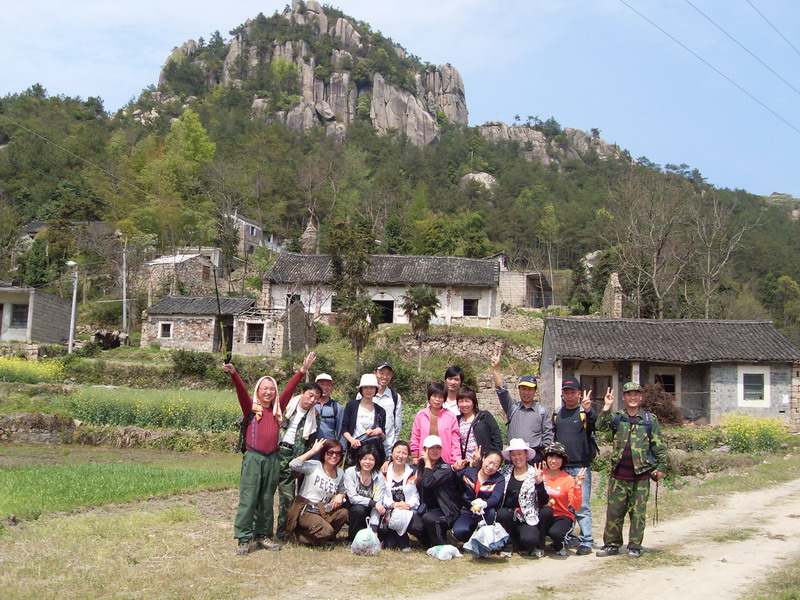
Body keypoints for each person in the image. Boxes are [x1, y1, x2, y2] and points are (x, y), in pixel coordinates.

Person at [224, 360, 294, 555]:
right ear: (258, 391)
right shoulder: (251, 410)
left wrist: (303, 371)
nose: (268, 392)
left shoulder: (276, 411)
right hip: (254, 458)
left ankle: (263, 535)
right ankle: (244, 538)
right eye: (264, 388)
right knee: (249, 498)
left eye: (272, 389)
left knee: (266, 499)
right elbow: (241, 392)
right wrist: (234, 373)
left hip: (273, 459)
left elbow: (289, 389)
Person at [596, 382, 667, 558]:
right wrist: (606, 407)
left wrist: (661, 467)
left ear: (640, 397)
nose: (633, 397)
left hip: (641, 476)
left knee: (638, 514)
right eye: (629, 394)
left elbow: (658, 446)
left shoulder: (650, 420)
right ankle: (612, 544)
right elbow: (599, 427)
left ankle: (635, 545)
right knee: (614, 512)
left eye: (636, 394)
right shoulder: (617, 417)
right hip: (618, 475)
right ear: (624, 397)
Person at [275, 352, 322, 541]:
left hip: (293, 460)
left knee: (287, 499)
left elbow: (310, 444)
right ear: (302, 393)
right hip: (275, 453)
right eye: (310, 395)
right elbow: (288, 388)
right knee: (264, 494)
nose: (312, 400)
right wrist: (303, 370)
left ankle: (282, 533)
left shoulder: (313, 420)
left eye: (316, 398)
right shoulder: (284, 407)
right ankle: (258, 530)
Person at [552, 378, 597, 556]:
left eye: (573, 392)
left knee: (582, 505)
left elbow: (596, 426)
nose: (569, 395)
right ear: (562, 394)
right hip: (563, 468)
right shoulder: (557, 413)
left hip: (581, 467)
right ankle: (568, 537)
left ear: (579, 393)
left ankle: (586, 540)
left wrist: (589, 410)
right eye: (566, 392)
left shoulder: (584, 413)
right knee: (565, 505)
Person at [491, 350, 553, 462]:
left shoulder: (542, 412)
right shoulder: (512, 407)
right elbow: (501, 391)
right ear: (519, 390)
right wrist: (496, 368)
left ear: (535, 391)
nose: (526, 392)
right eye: (523, 389)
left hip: (534, 457)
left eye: (530, 389)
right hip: (513, 456)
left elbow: (548, 437)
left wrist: (544, 458)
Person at [285, 437, 348, 545]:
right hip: (307, 511)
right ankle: (300, 535)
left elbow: (342, 489)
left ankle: (323, 538)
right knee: (327, 531)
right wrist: (313, 451)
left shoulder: (340, 472)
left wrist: (340, 495)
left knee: (343, 513)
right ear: (324, 453)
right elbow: (293, 465)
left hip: (324, 511)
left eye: (338, 453)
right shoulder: (314, 466)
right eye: (330, 452)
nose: (334, 456)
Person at [496, 439, 549, 558]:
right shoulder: (504, 471)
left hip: (527, 516)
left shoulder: (535, 473)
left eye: (520, 454)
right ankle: (507, 546)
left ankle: (523, 543)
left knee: (529, 540)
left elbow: (544, 501)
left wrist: (539, 484)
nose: (517, 457)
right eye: (513, 454)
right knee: (502, 513)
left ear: (526, 455)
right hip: (508, 517)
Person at [407, 435, 461, 548]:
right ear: (425, 450)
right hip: (425, 510)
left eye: (438, 448)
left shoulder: (445, 468)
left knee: (429, 518)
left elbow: (429, 483)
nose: (435, 451)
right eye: (431, 448)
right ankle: (427, 540)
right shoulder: (419, 467)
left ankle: (440, 543)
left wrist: (427, 463)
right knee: (409, 521)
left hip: (445, 512)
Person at [539, 442, 585, 556]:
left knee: (555, 533)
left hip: (561, 516)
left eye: (558, 457)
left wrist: (577, 486)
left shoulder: (568, 479)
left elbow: (576, 506)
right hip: (542, 515)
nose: (553, 461)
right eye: (551, 457)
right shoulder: (540, 475)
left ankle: (558, 545)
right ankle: (539, 547)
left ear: (563, 460)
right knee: (544, 512)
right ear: (546, 458)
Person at [452, 449, 505, 544]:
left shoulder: (499, 479)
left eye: (496, 465)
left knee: (491, 513)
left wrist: (484, 504)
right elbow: (453, 480)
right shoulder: (469, 472)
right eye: (490, 462)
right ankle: (472, 539)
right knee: (459, 531)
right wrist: (455, 469)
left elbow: (495, 498)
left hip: (485, 512)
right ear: (484, 458)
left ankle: (485, 541)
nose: (491, 467)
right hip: (467, 511)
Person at [380, 440, 419, 551]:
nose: (400, 456)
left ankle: (403, 538)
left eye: (404, 453)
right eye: (398, 452)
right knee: (390, 545)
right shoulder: (384, 472)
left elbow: (416, 495)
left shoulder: (413, 472)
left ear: (408, 456)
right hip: (390, 510)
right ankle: (392, 536)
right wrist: (394, 504)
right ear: (392, 453)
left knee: (416, 524)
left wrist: (407, 505)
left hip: (407, 510)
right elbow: (381, 494)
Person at [343, 445, 387, 542]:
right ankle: (352, 539)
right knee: (359, 510)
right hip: (354, 510)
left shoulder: (379, 477)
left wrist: (373, 528)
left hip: (372, 512)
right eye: (364, 459)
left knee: (383, 530)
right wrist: (373, 503)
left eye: (371, 459)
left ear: (375, 461)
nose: (367, 462)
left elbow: (378, 503)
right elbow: (353, 498)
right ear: (359, 460)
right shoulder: (350, 472)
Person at [410, 382, 460, 464]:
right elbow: (415, 436)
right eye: (434, 396)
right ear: (429, 397)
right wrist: (415, 456)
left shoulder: (451, 417)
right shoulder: (421, 415)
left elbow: (455, 442)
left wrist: (455, 460)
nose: (437, 399)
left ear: (444, 399)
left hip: (444, 461)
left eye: (440, 397)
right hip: (423, 460)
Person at [342, 373, 387, 467]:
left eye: (372, 387)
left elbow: (383, 438)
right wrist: (352, 440)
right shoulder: (351, 406)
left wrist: (380, 431)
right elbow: (344, 429)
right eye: (366, 387)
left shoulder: (380, 411)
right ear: (361, 389)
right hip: (354, 450)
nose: (368, 390)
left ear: (376, 390)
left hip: (371, 453)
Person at [455, 386, 503, 467]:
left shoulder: (484, 416)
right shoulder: (456, 420)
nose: (464, 404)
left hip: (485, 464)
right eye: (461, 401)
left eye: (467, 401)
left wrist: (490, 458)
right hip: (466, 465)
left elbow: (497, 440)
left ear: (473, 402)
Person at [314, 373, 344, 446]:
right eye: (321, 384)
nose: (325, 387)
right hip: (309, 450)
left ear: (331, 387)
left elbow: (342, 432)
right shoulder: (310, 405)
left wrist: (342, 451)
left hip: (329, 451)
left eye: (328, 385)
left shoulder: (337, 408)